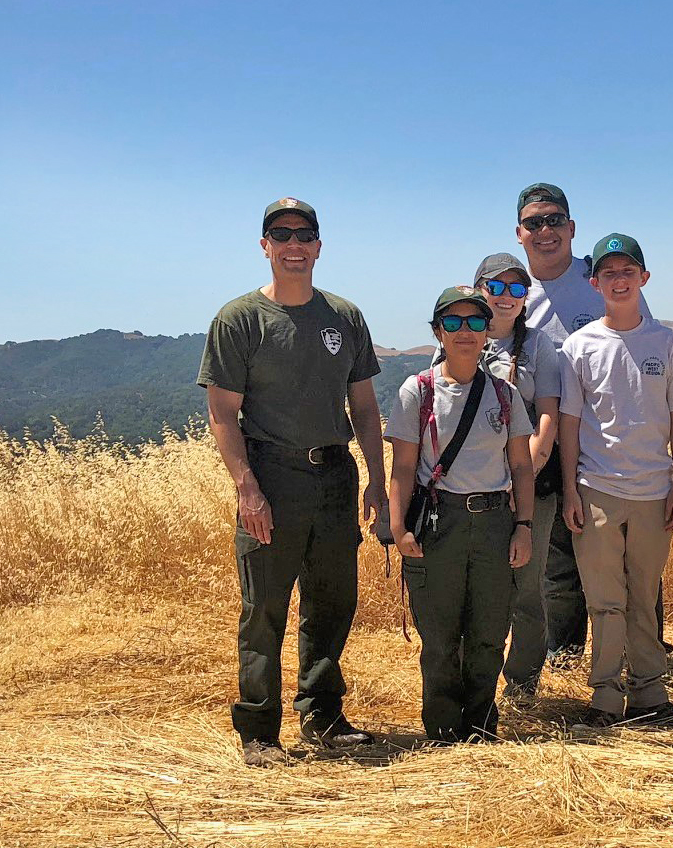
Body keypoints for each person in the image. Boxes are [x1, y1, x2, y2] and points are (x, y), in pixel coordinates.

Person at [198, 198, 385, 767]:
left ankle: (323, 715)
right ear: (265, 245)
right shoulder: (239, 320)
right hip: (271, 475)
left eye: (304, 234)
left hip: (333, 474)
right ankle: (258, 731)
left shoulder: (344, 317)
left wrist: (377, 481)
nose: (294, 244)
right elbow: (222, 415)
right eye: (282, 234)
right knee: (265, 608)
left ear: (319, 246)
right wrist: (246, 488)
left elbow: (364, 406)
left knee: (332, 603)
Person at [559, 234, 673, 729]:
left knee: (644, 595)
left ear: (644, 277)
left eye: (628, 272)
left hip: (654, 491)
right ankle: (604, 698)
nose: (619, 281)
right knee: (605, 601)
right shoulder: (579, 347)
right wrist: (572, 489)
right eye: (609, 274)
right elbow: (570, 423)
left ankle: (650, 695)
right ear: (594, 283)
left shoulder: (667, 344)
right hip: (597, 488)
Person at [384, 288, 535, 743]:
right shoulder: (419, 390)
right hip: (439, 522)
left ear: (488, 331)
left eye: (474, 322)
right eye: (453, 323)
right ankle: (444, 731)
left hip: (494, 521)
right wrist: (398, 528)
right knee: (441, 636)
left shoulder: (505, 395)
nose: (464, 331)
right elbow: (404, 467)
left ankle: (481, 728)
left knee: (489, 633)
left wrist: (524, 526)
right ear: (438, 332)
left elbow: (522, 465)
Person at [516, 182, 655, 666]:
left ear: (572, 228)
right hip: (542, 437)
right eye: (534, 223)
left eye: (554, 220)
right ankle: (567, 650)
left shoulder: (599, 278)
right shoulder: (516, 289)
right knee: (558, 552)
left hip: (609, 436)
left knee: (625, 553)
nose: (545, 231)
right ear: (519, 233)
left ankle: (641, 649)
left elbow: (642, 343)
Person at [469, 253, 565, 702]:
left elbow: (549, 413)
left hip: (532, 483)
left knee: (529, 587)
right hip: (472, 489)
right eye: (497, 287)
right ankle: (477, 676)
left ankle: (523, 682)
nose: (507, 298)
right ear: (479, 289)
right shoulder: (458, 334)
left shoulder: (541, 345)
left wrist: (525, 472)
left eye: (517, 289)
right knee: (481, 586)